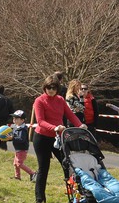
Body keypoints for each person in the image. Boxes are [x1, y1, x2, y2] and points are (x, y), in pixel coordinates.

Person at [33, 74, 86, 203]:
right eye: (48, 87)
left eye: (54, 88)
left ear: (57, 88)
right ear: (44, 88)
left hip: (57, 138)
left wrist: (80, 125)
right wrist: (54, 128)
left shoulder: (60, 100)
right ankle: (40, 199)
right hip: (42, 138)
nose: (51, 90)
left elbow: (70, 114)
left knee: (68, 166)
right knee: (43, 168)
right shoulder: (39, 100)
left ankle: (75, 195)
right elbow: (40, 121)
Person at [6, 110, 36, 182]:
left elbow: (21, 139)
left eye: (16, 118)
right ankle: (17, 177)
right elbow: (14, 137)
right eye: (13, 118)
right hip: (18, 149)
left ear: (22, 120)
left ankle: (32, 173)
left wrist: (12, 138)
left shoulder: (22, 129)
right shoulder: (16, 128)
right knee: (15, 164)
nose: (14, 120)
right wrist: (8, 139)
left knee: (19, 164)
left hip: (22, 149)